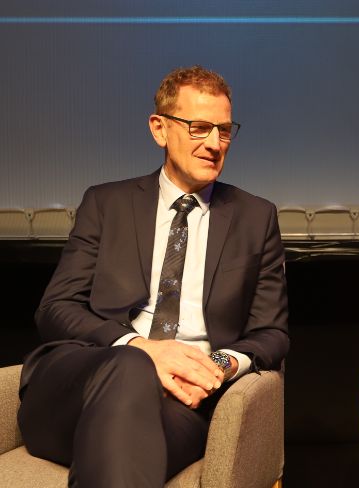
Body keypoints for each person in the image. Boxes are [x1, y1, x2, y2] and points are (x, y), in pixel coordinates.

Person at [17, 65, 289, 487]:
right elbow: (56, 307)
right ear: (160, 129)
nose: (214, 144)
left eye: (224, 130)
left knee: (123, 446)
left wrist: (213, 367)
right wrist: (142, 349)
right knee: (130, 365)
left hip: (181, 401)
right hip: (82, 380)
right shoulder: (106, 203)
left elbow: (271, 332)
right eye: (199, 128)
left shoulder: (255, 217)